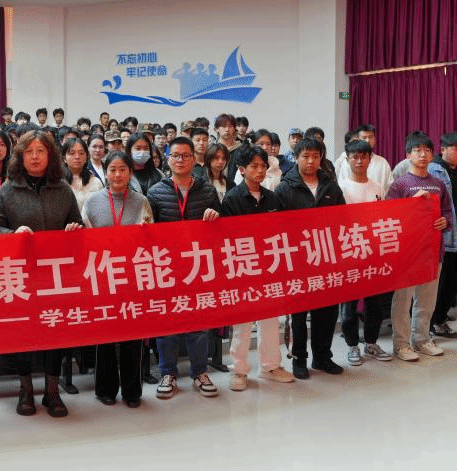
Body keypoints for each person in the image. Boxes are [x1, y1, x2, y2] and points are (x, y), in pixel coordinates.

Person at [0, 130, 83, 417]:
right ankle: (25, 388)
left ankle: (52, 390)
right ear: (21, 156)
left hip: (55, 275)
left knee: (56, 331)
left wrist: (74, 229)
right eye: (29, 152)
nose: (36, 157)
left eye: (41, 151)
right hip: (21, 274)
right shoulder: (8, 190)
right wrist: (13, 233)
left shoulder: (63, 189)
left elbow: (77, 224)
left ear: (50, 156)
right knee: (24, 333)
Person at [146, 136, 222, 399]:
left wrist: (216, 217)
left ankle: (200, 372)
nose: (180, 160)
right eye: (175, 155)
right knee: (167, 323)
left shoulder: (207, 191)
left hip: (197, 265)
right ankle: (167, 373)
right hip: (167, 267)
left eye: (185, 155)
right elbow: (148, 232)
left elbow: (222, 228)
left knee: (198, 323)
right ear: (167, 159)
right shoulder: (155, 192)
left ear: (193, 159)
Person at [221, 146, 297, 389]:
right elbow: (227, 238)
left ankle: (270, 366)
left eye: (263, 166)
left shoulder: (273, 198)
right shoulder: (232, 199)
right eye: (254, 166)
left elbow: (281, 232)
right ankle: (239, 371)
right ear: (242, 169)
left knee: (270, 320)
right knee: (242, 323)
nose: (260, 170)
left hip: (269, 267)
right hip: (243, 267)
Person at [82, 151, 151, 408]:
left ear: (130, 172)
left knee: (134, 337)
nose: (118, 174)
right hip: (103, 276)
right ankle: (105, 389)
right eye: (112, 169)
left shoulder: (141, 201)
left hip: (133, 276)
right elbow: (84, 239)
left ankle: (132, 391)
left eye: (123, 169)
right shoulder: (92, 202)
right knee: (106, 337)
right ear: (106, 172)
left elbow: (151, 238)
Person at [275, 137, 346, 379]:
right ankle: (299, 359)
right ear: (296, 158)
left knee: (327, 312)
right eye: (305, 156)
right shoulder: (285, 188)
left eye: (315, 156)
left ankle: (322, 357)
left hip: (326, 258)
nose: (311, 161)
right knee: (298, 314)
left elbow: (342, 220)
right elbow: (278, 227)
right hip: (298, 260)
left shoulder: (331, 187)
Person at [386, 131, 452, 361]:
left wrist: (445, 221)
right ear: (408, 155)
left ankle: (422, 339)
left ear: (432, 155)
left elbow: (447, 212)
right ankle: (401, 344)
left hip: (432, 251)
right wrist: (412, 204)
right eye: (417, 150)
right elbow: (390, 216)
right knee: (403, 300)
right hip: (407, 252)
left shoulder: (438, 184)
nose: (423, 155)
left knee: (426, 300)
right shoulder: (400, 184)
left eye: (427, 150)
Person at [335, 139, 395, 365]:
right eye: (355, 157)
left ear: (370, 159)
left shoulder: (377, 187)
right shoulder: (340, 187)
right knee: (349, 304)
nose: (359, 161)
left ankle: (371, 343)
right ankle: (352, 345)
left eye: (364, 157)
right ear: (347, 159)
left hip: (373, 253)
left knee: (374, 303)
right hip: (349, 252)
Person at [428, 132, 457, 339]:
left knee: (453, 282)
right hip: (443, 238)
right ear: (443, 150)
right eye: (455, 148)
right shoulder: (434, 170)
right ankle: (432, 322)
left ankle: (440, 319)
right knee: (440, 283)